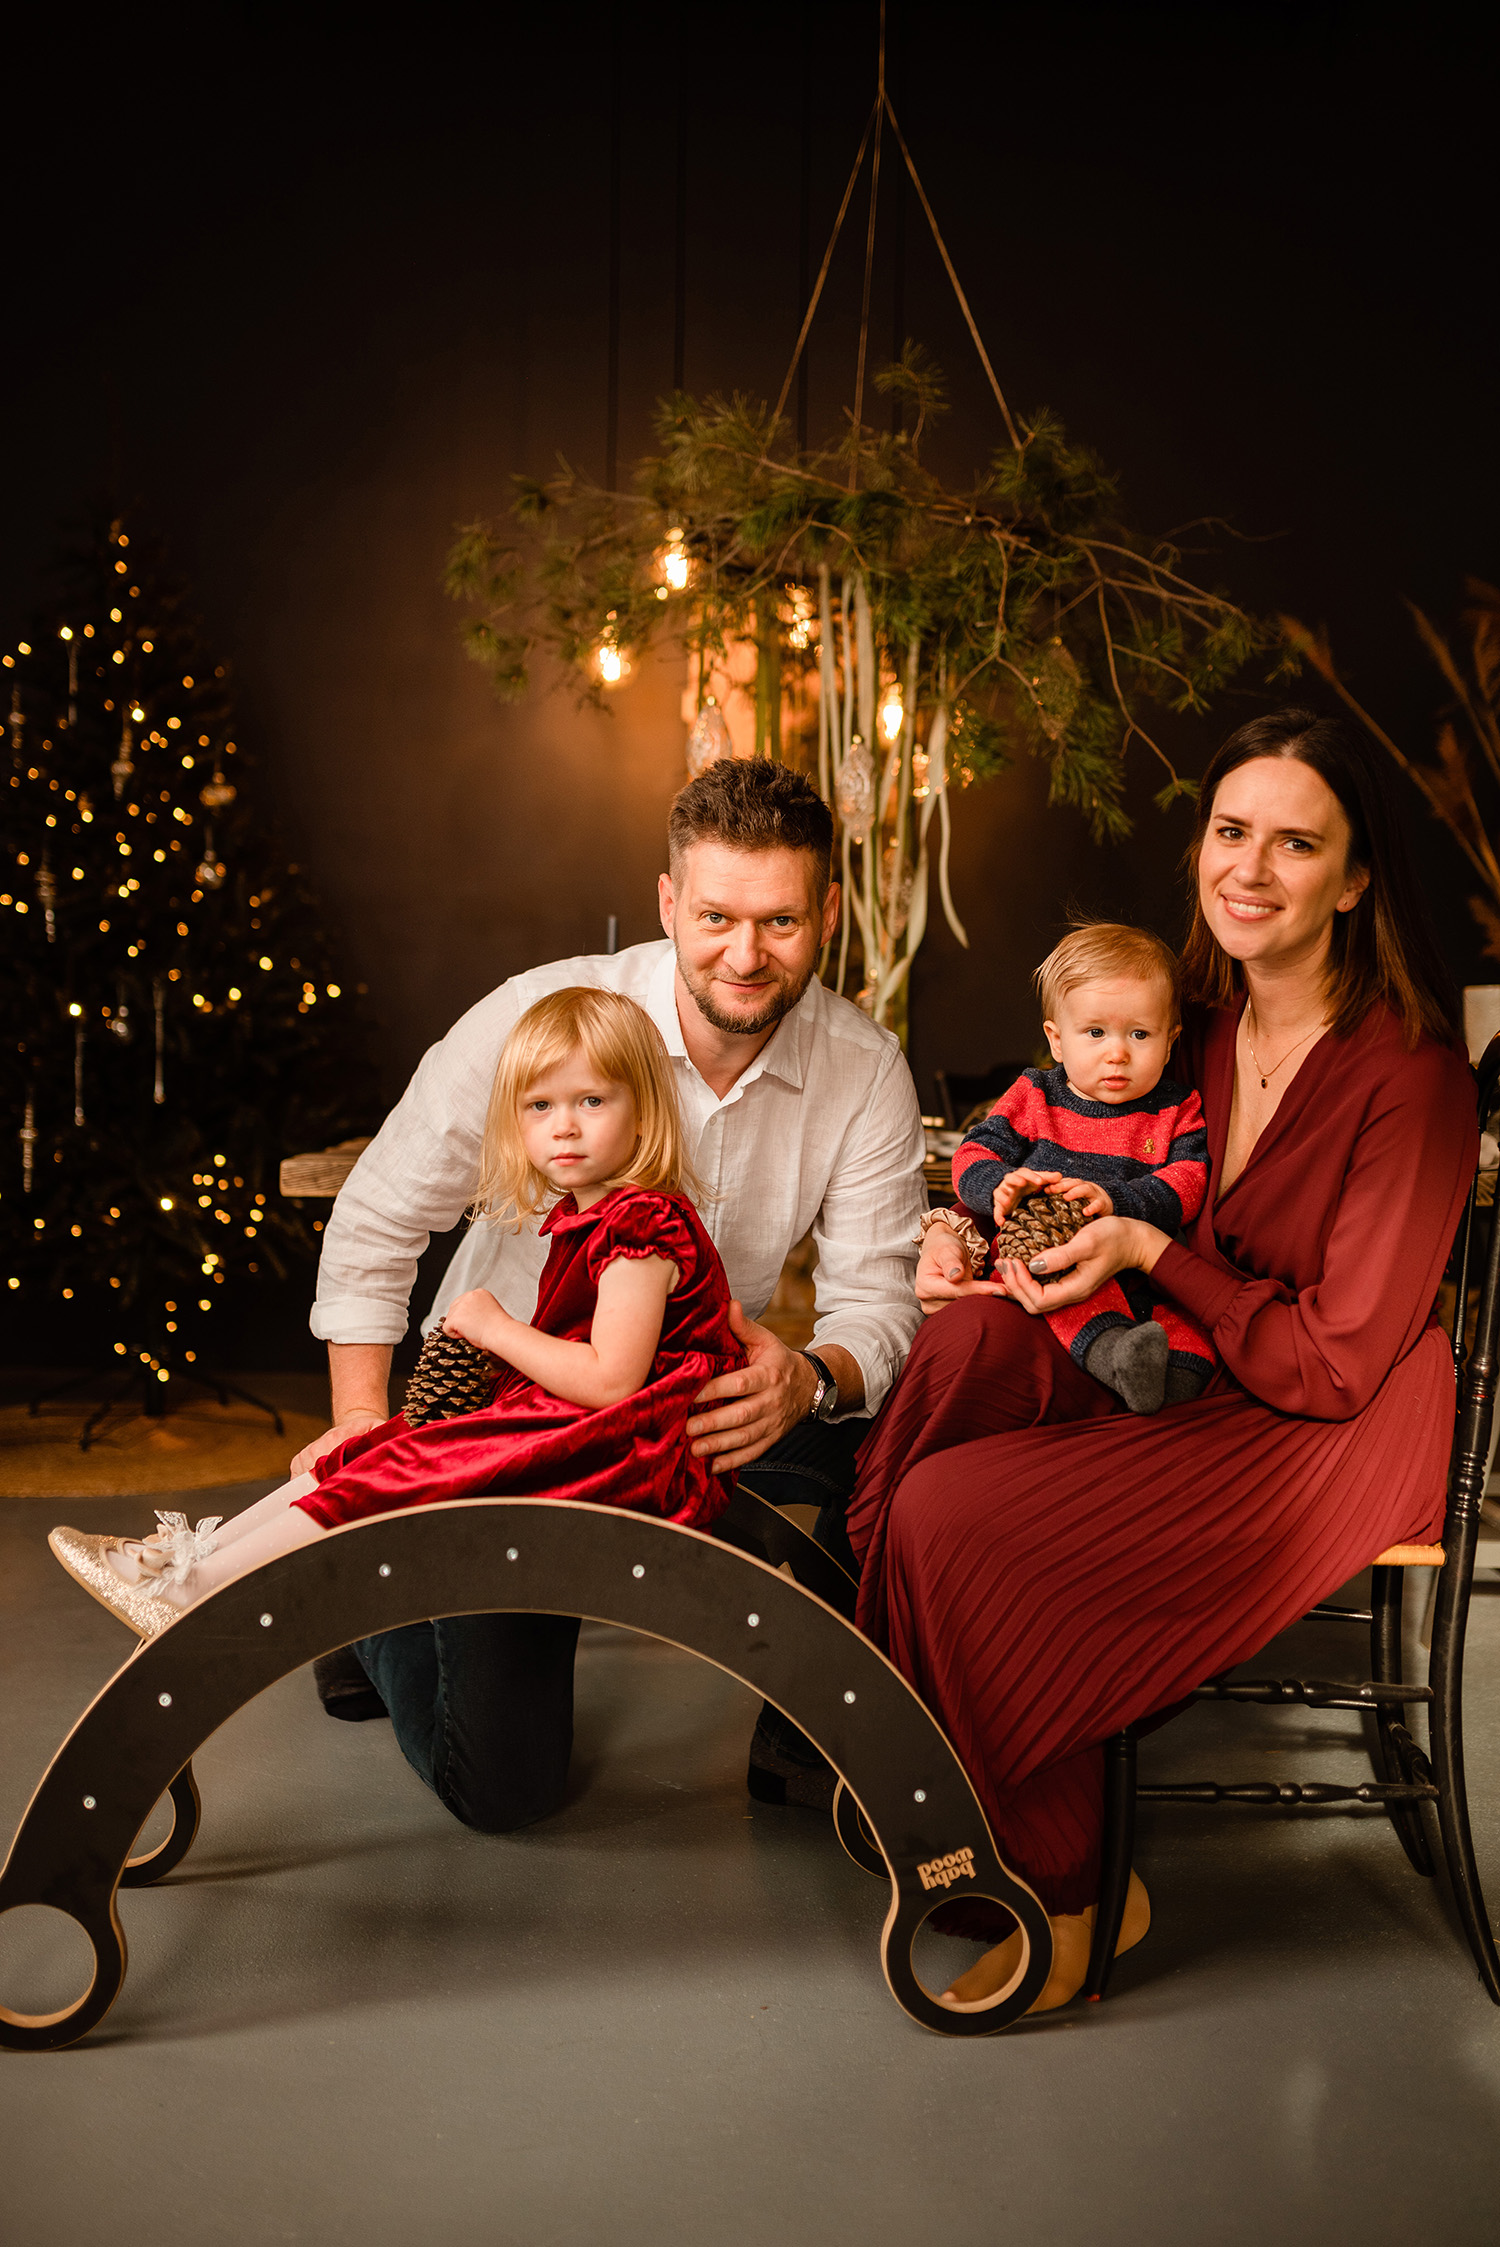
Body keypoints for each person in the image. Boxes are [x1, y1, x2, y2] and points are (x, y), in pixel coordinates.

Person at [852, 709, 1475, 2015]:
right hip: (1188, 1356)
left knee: (950, 1514)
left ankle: (1064, 1889)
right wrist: (970, 1238)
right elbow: (1058, 1151)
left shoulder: (1410, 1073)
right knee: (960, 1350)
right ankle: (921, 1755)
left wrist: (1146, 1245)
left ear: (1354, 879)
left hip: (1322, 1421)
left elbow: (1334, 1361)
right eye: (1230, 830)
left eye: (1295, 842)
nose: (1249, 867)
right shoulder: (1185, 1025)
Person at [293, 758, 925, 1821]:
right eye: (717, 916)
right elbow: (378, 1214)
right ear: (669, 902)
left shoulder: (864, 1069)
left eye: (780, 921)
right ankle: (371, 1601)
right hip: (512, 1419)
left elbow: (879, 1303)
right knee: (503, 1789)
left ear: (828, 912)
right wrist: (365, 1428)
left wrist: (811, 1377)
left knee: (913, 1438)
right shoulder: (534, 1015)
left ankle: (803, 1734)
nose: (745, 955)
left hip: (693, 1404)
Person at [50, 989, 742, 1635]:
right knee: (377, 1444)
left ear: (643, 1113)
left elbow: (613, 1380)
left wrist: (499, 1330)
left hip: (634, 1453)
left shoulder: (643, 1224)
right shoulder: (592, 1214)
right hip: (586, 1425)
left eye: (591, 1100)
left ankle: (204, 1590)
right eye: (540, 1105)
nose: (563, 1126)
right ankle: (189, 1563)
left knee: (411, 1463)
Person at [944, 921, 1212, 1414]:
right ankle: (1118, 1359)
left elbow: (1189, 1182)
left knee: (1189, 1328)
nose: (1118, 1053)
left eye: (1140, 1034)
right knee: (1074, 1298)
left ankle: (1170, 1392)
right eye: (1095, 1033)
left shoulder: (1178, 1108)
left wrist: (1118, 1201)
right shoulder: (1036, 1095)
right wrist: (1001, 1185)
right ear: (1057, 1040)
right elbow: (972, 1153)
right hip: (1051, 1254)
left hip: (1143, 1267)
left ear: (1170, 1040)